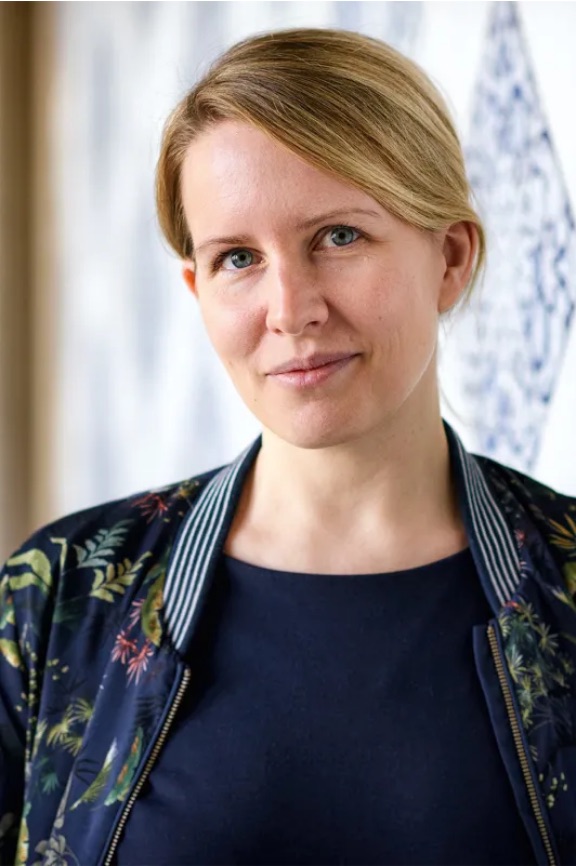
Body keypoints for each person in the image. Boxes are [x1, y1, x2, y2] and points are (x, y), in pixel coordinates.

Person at [1, 26, 575, 866]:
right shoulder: (58, 596)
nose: (290, 309)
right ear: (198, 289)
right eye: (238, 258)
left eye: (338, 237)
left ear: (451, 258)